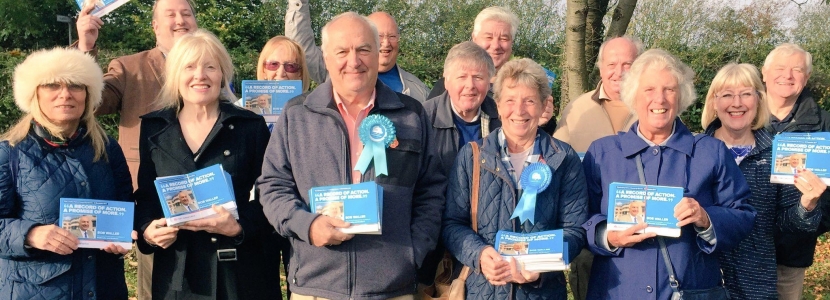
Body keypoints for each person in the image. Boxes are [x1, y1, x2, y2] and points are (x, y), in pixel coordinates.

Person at [258, 12, 445, 299]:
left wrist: (412, 251)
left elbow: (431, 190)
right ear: (326, 57)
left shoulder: (411, 114)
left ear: (376, 52)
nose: (353, 61)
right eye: (342, 51)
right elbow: (272, 186)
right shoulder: (297, 114)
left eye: (363, 50)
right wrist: (307, 226)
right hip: (316, 287)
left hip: (392, 288)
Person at [582, 49, 756, 299]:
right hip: (619, 291)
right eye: (649, 90)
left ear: (681, 96)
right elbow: (579, 218)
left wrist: (706, 217)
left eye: (669, 89)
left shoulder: (710, 152)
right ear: (633, 96)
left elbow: (743, 214)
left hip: (690, 289)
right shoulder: (603, 153)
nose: (659, 100)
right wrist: (608, 235)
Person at [133, 29, 279, 300]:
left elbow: (272, 195)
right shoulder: (154, 129)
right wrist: (148, 232)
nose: (200, 75)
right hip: (179, 276)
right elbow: (146, 197)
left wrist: (239, 226)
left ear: (222, 74)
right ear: (175, 74)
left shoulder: (250, 126)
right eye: (189, 66)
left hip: (239, 274)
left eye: (210, 66)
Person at [75, 0, 199, 296]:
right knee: (157, 285)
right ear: (155, 26)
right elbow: (92, 101)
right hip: (152, 199)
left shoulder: (213, 66)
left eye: (186, 13)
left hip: (205, 195)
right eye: (170, 14)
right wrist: (85, 46)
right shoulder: (129, 67)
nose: (180, 20)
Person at [442, 58, 587, 299]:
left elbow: (576, 229)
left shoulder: (564, 158)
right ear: (497, 105)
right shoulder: (472, 156)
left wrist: (540, 268)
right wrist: (479, 254)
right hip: (483, 290)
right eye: (510, 100)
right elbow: (451, 224)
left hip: (543, 293)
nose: (519, 111)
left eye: (529, 101)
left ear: (543, 106)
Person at [0, 47, 132, 299]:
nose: (65, 94)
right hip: (35, 291)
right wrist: (30, 234)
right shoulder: (9, 152)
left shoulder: (107, 148)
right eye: (51, 85)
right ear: (34, 94)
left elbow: (124, 205)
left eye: (75, 85)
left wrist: (124, 234)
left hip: (103, 287)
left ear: (88, 94)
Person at [701, 63, 823, 299]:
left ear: (759, 100)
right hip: (704, 280)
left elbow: (789, 226)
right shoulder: (694, 151)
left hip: (755, 282)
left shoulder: (777, 153)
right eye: (727, 95)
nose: (737, 103)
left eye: (746, 94)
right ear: (714, 102)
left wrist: (807, 204)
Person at [553, 35, 642, 300]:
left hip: (643, 235)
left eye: (628, 63)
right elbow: (555, 165)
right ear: (601, 67)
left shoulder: (655, 107)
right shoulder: (576, 109)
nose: (619, 71)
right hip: (590, 235)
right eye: (612, 63)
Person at [418, 41, 500, 290]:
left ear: (490, 81)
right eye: (461, 76)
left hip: (488, 241)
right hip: (433, 241)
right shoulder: (421, 117)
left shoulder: (502, 118)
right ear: (446, 80)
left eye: (478, 77)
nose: (470, 85)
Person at [759, 43, 830, 300]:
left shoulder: (826, 126)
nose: (787, 76)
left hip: (790, 256)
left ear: (807, 77)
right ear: (764, 73)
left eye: (796, 70)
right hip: (739, 249)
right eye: (779, 68)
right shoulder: (739, 114)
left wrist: (808, 223)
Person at [428, 6, 556, 134]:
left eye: (504, 39)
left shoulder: (526, 85)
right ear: (474, 38)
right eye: (488, 37)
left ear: (512, 43)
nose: (495, 46)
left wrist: (543, 124)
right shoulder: (445, 88)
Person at [285, 0, 429, 101]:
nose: (385, 43)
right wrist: (299, 3)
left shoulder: (418, 90)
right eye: (379, 36)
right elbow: (301, 47)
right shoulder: (336, 70)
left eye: (391, 36)